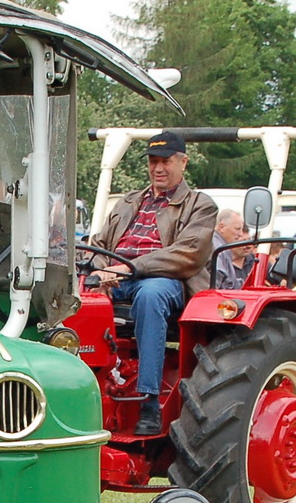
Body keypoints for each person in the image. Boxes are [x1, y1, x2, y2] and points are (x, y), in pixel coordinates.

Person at [84, 132, 218, 436]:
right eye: (153, 161)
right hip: (117, 277)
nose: (158, 168)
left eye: (166, 161)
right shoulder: (129, 201)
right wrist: (100, 272)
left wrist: (127, 269)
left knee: (151, 295)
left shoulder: (199, 205)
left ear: (182, 162)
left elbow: (187, 254)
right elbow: (100, 243)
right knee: (73, 296)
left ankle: (149, 400)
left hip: (165, 281)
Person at [211, 209, 248, 289]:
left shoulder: (219, 247)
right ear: (222, 227)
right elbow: (217, 285)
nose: (241, 234)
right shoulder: (219, 250)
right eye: (237, 229)